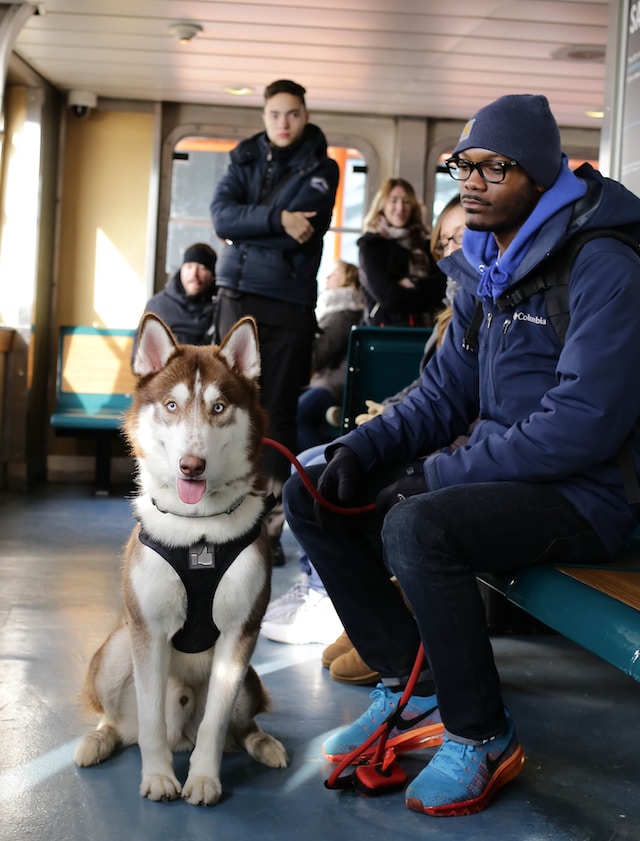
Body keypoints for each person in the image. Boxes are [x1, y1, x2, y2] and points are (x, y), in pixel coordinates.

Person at [283, 93, 640, 817]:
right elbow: (443, 394)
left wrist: (433, 475)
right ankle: (408, 684)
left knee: (419, 524)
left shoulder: (605, 264)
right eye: (462, 165)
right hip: (516, 475)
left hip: (595, 494)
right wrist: (362, 445)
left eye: (493, 167)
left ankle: (481, 732)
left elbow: (582, 425)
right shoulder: (488, 266)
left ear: (541, 177)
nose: (470, 181)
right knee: (311, 486)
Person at [262, 198, 465, 672]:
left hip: (457, 449)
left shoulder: (482, 316)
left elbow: (463, 406)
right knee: (319, 461)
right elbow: (430, 392)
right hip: (438, 436)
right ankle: (354, 603)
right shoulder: (452, 319)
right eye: (445, 242)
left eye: (463, 236)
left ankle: (356, 609)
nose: (454, 249)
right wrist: (382, 421)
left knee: (328, 476)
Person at [210, 79, 339, 566]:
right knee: (227, 408)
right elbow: (222, 218)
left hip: (288, 302)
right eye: (275, 114)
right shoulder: (242, 159)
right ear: (264, 116)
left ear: (305, 117)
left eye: (293, 114)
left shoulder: (322, 167)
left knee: (278, 415)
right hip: (238, 296)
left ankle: (269, 528)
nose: (283, 123)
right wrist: (278, 219)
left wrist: (262, 226)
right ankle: (225, 521)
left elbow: (302, 231)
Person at [296, 260, 364, 452]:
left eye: (334, 273)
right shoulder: (338, 312)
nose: (327, 277)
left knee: (297, 415)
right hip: (327, 382)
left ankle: (319, 468)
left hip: (333, 385)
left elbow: (317, 357)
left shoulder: (344, 315)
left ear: (348, 282)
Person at [358, 177, 445, 327]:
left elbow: (442, 288)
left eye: (406, 202)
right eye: (394, 201)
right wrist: (425, 289)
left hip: (428, 328)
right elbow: (389, 297)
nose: (400, 208)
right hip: (385, 331)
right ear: (382, 205)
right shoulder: (371, 246)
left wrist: (414, 284)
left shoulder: (426, 244)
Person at [132, 243, 217, 357]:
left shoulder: (220, 308)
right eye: (189, 266)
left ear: (212, 276)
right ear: (181, 269)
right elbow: (138, 356)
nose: (194, 274)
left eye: (202, 267)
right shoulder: (158, 305)